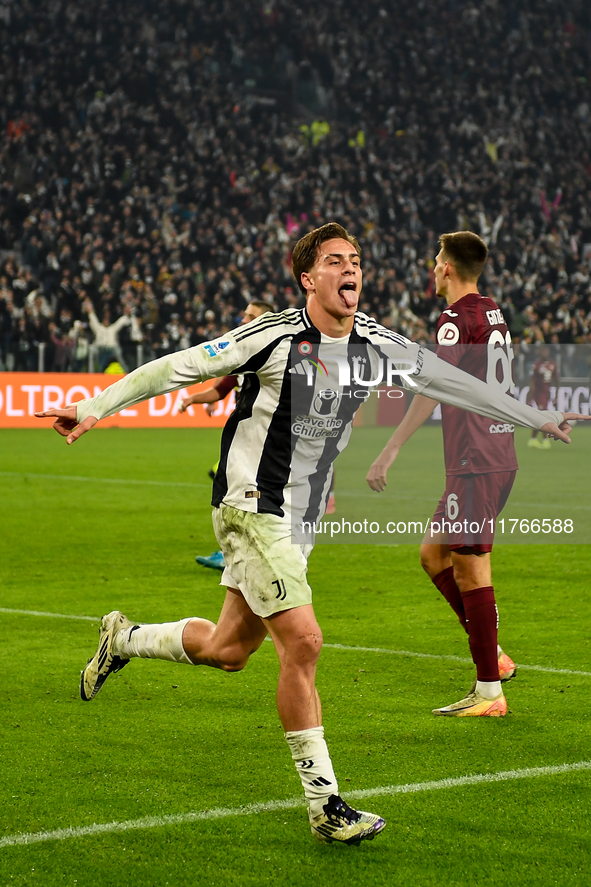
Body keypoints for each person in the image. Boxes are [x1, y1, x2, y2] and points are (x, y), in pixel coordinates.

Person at [36, 222, 581, 845]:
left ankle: (124, 638)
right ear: (309, 279)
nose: (350, 270)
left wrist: (537, 414)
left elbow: (457, 384)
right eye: (334, 262)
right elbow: (177, 368)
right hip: (250, 503)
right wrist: (92, 406)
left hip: (302, 518)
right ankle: (326, 806)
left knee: (229, 649)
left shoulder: (377, 344)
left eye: (355, 261)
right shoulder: (271, 338)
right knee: (304, 642)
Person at [367, 231, 523, 718]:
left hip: (476, 459)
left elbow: (433, 387)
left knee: (472, 569)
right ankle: (492, 654)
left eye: (437, 260)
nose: (433, 267)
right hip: (491, 452)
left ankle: (489, 692)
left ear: (449, 269)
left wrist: (389, 448)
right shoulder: (493, 310)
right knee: (433, 554)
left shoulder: (455, 321)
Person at [178, 301, 275, 571]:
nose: (243, 319)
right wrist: (193, 399)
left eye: (251, 316)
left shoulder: (272, 357)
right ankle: (235, 553)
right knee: (233, 497)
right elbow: (220, 389)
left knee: (242, 498)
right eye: (243, 314)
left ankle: (241, 554)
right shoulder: (242, 356)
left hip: (260, 444)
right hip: (241, 443)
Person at [527, 345, 560, 449]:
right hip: (538, 393)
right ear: (540, 352)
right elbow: (532, 380)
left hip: (546, 393)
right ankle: (545, 440)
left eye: (546, 351)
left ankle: (533, 439)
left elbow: (557, 380)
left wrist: (556, 396)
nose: (545, 353)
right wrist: (530, 396)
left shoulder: (552, 364)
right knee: (543, 416)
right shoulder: (537, 364)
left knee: (541, 416)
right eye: (543, 351)